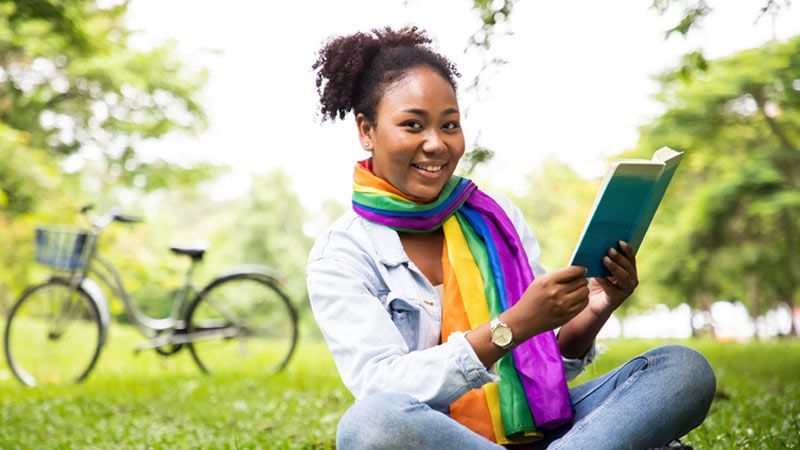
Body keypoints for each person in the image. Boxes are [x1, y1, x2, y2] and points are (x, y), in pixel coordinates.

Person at [307, 26, 715, 450]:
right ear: (366, 130)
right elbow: (382, 385)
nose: (436, 144)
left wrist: (597, 307)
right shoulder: (342, 254)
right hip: (436, 437)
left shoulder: (497, 220)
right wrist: (513, 326)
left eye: (449, 125)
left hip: (537, 430)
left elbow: (545, 371)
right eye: (412, 125)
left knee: (682, 369)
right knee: (371, 424)